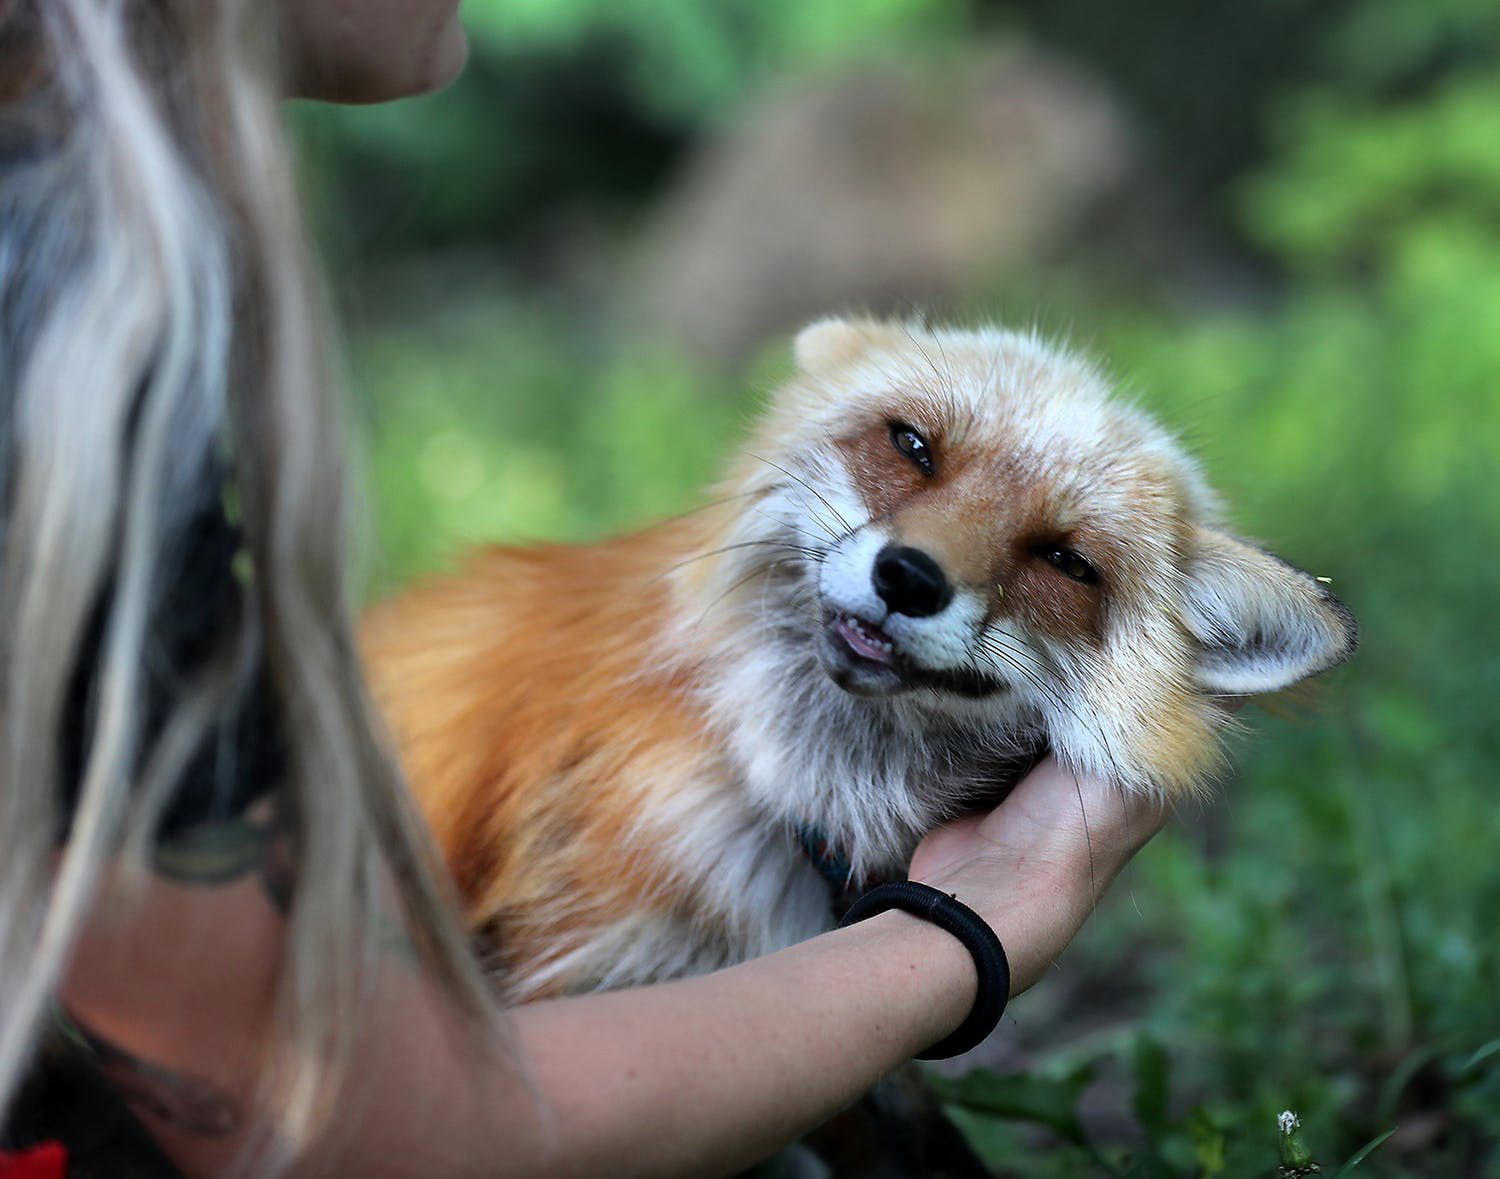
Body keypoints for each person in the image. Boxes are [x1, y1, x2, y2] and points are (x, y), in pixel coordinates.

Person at [0, 1, 1184, 1175]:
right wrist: (965, 935)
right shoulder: (49, 332)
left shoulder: (72, 270)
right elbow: (357, 1137)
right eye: (910, 454)